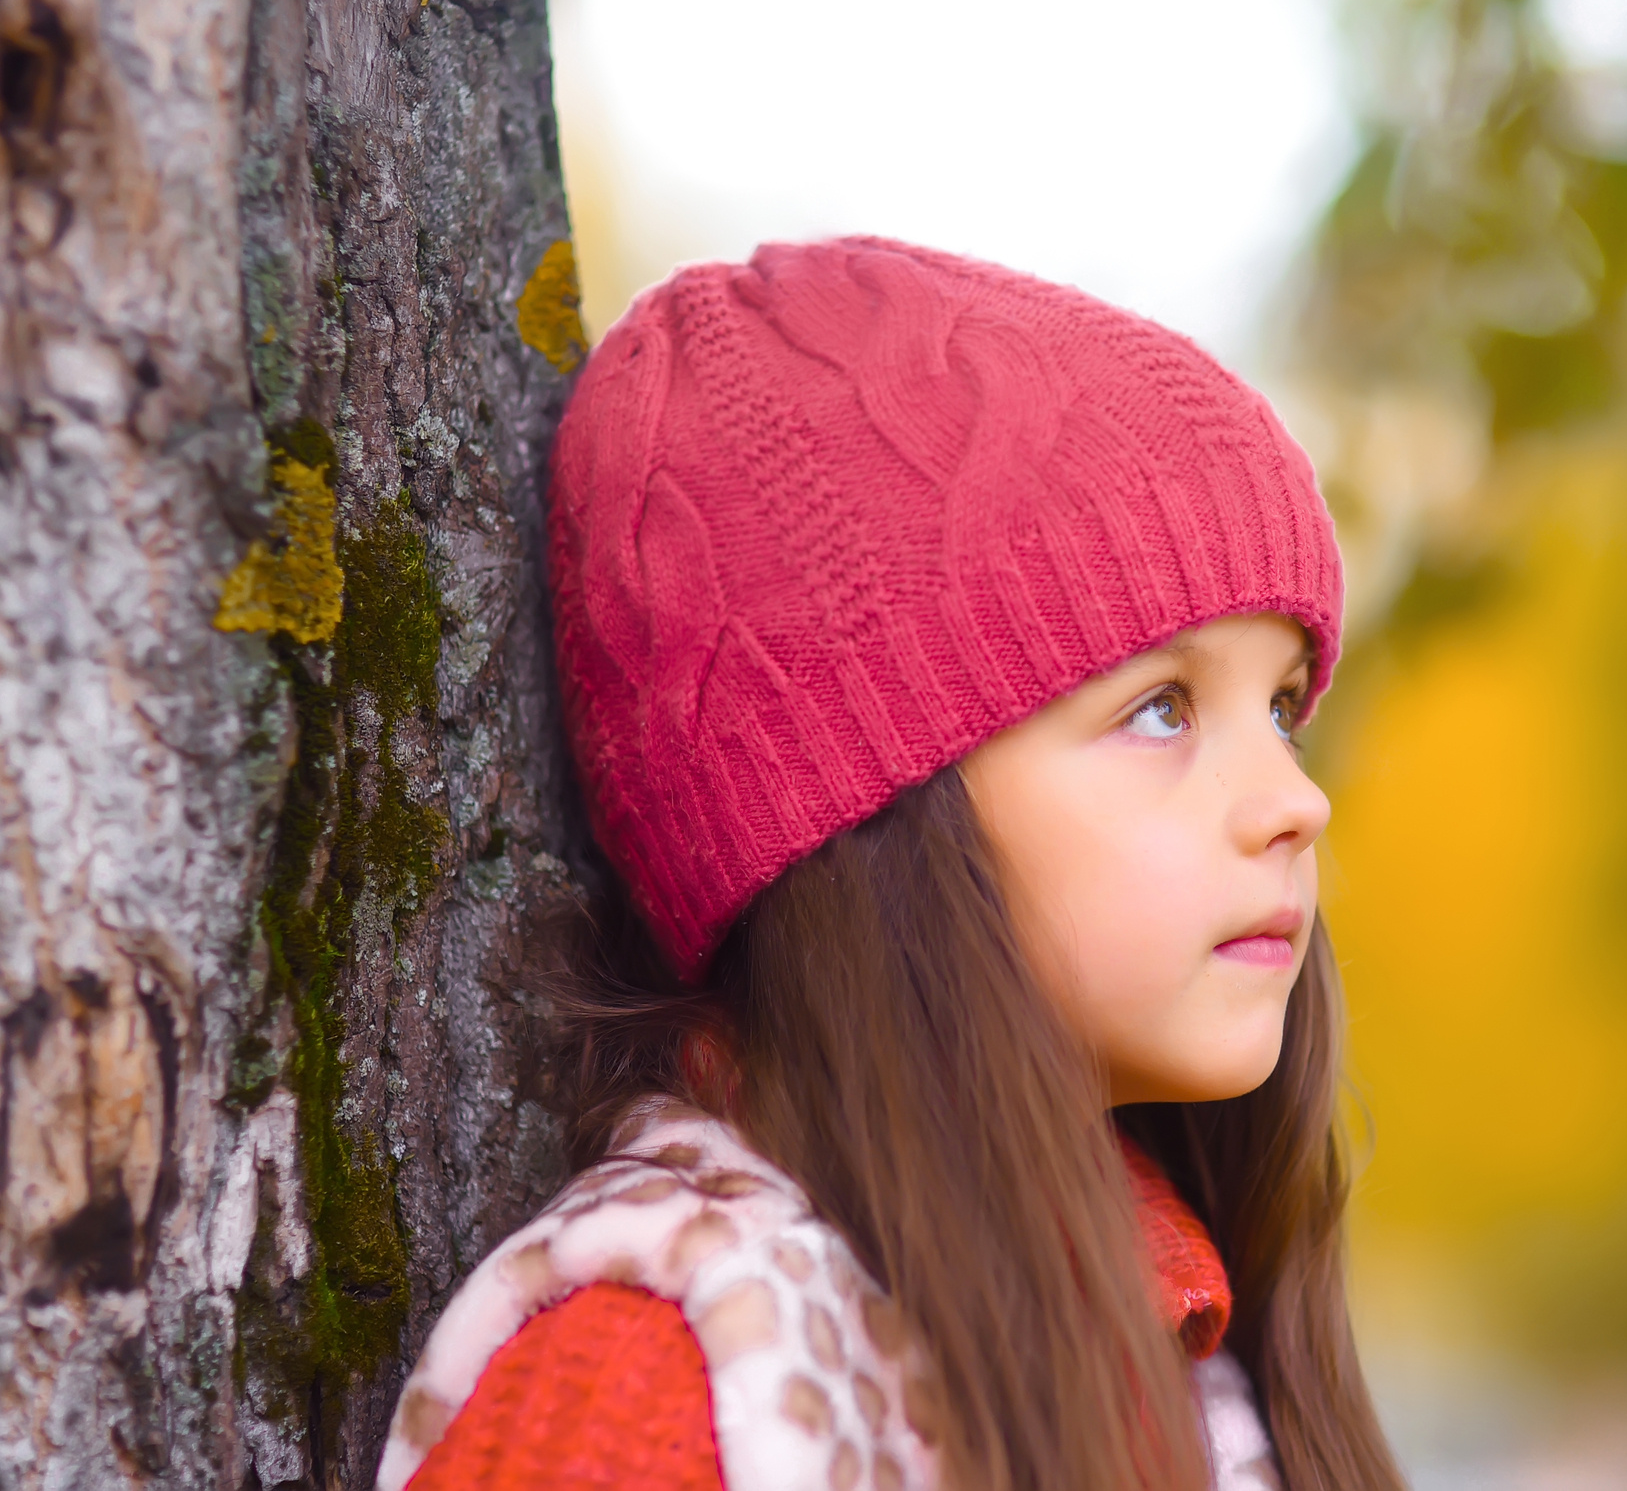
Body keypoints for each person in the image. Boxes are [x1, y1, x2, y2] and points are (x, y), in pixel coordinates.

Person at [374, 237, 1405, 1490]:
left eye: (1284, 706)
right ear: (864, 814)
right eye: (1162, 709)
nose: (1297, 800)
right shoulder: (663, 1391)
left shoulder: (1179, 1335)